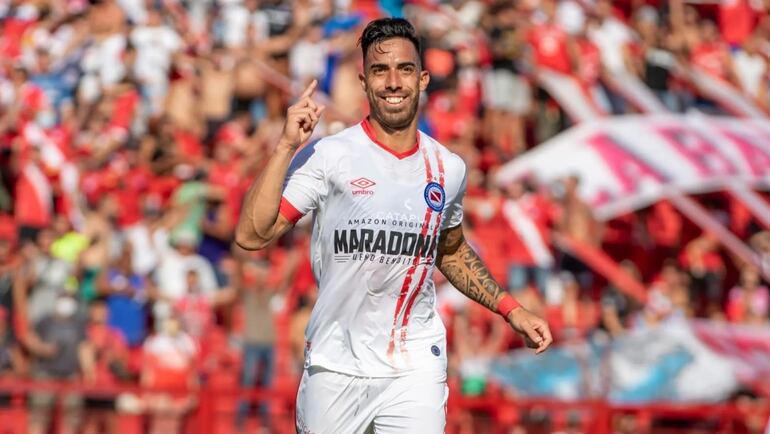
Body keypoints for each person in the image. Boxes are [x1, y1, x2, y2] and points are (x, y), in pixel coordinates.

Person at [235, 17, 552, 433]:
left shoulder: (448, 169)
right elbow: (252, 235)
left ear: (422, 79)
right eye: (380, 71)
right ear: (364, 81)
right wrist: (285, 146)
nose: (393, 82)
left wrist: (510, 309)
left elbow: (451, 250)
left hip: (414, 364)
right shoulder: (331, 155)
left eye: (404, 69)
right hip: (335, 363)